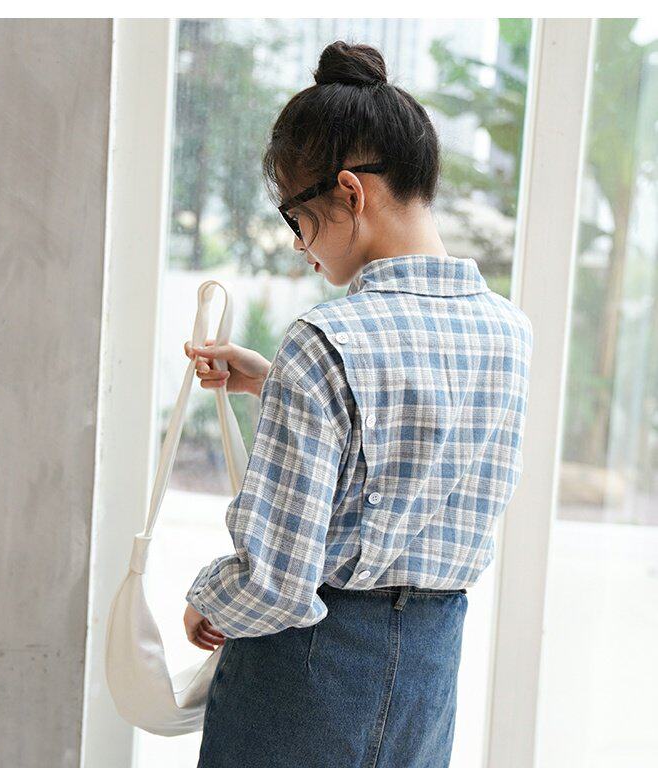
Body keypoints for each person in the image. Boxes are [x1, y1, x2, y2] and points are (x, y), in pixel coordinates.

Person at [182, 40, 533, 768]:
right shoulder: (509, 333)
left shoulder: (324, 340)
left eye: (296, 218)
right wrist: (275, 382)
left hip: (303, 677)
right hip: (427, 676)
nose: (300, 247)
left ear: (350, 193)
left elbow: (276, 584)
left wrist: (209, 598)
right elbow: (415, 439)